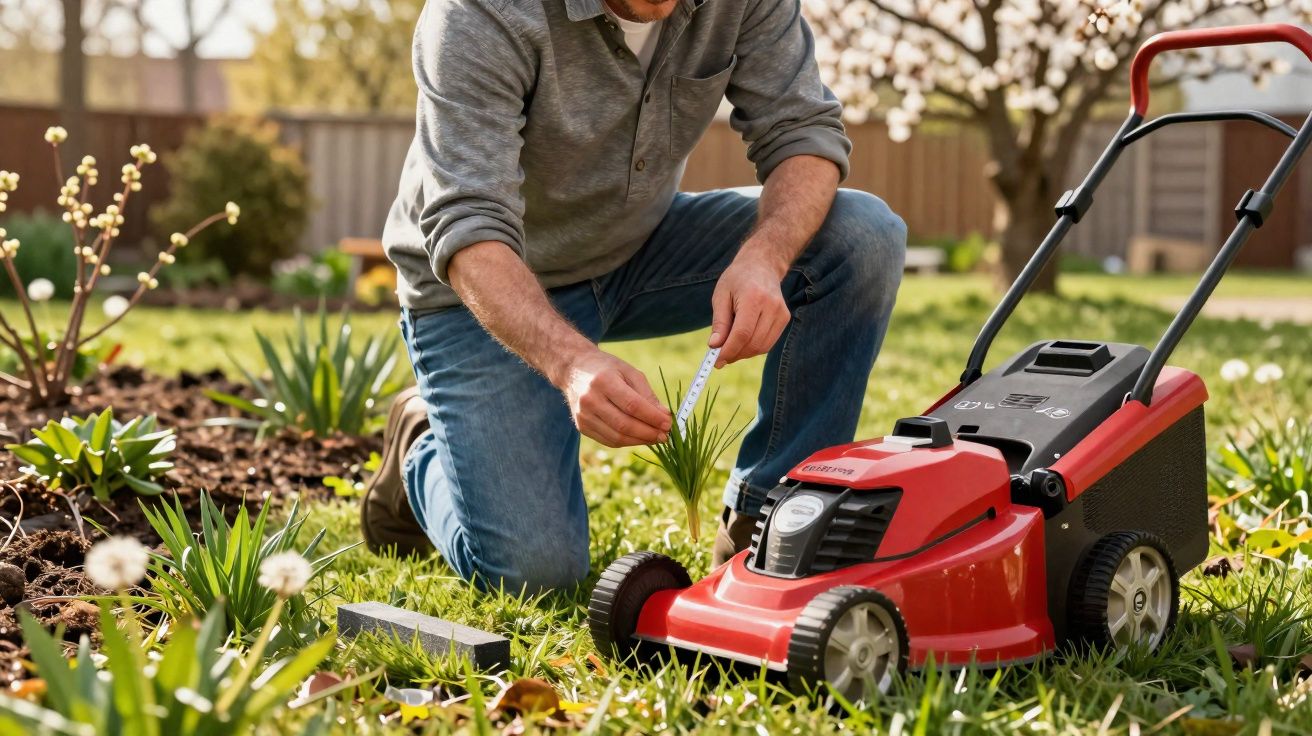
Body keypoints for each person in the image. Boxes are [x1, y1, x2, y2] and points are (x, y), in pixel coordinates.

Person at [363, 0, 907, 591]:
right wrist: (572, 363)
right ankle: (423, 446)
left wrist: (765, 256)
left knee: (860, 236)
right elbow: (470, 227)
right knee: (534, 574)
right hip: (484, 282)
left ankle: (770, 519)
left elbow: (804, 133)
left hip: (636, 249)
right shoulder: (479, 13)